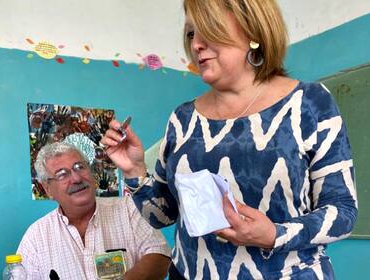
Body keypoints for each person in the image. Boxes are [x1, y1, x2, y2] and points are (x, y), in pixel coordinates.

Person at [101, 0, 358, 279]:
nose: (196, 44)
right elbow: (163, 216)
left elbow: (343, 212)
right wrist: (134, 171)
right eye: (190, 33)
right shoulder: (183, 119)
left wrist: (275, 234)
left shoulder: (309, 103)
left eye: (208, 29)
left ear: (253, 32)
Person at [17, 142, 171, 279]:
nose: (76, 178)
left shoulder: (129, 208)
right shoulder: (36, 237)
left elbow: (161, 255)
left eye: (80, 167)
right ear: (47, 189)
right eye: (62, 174)